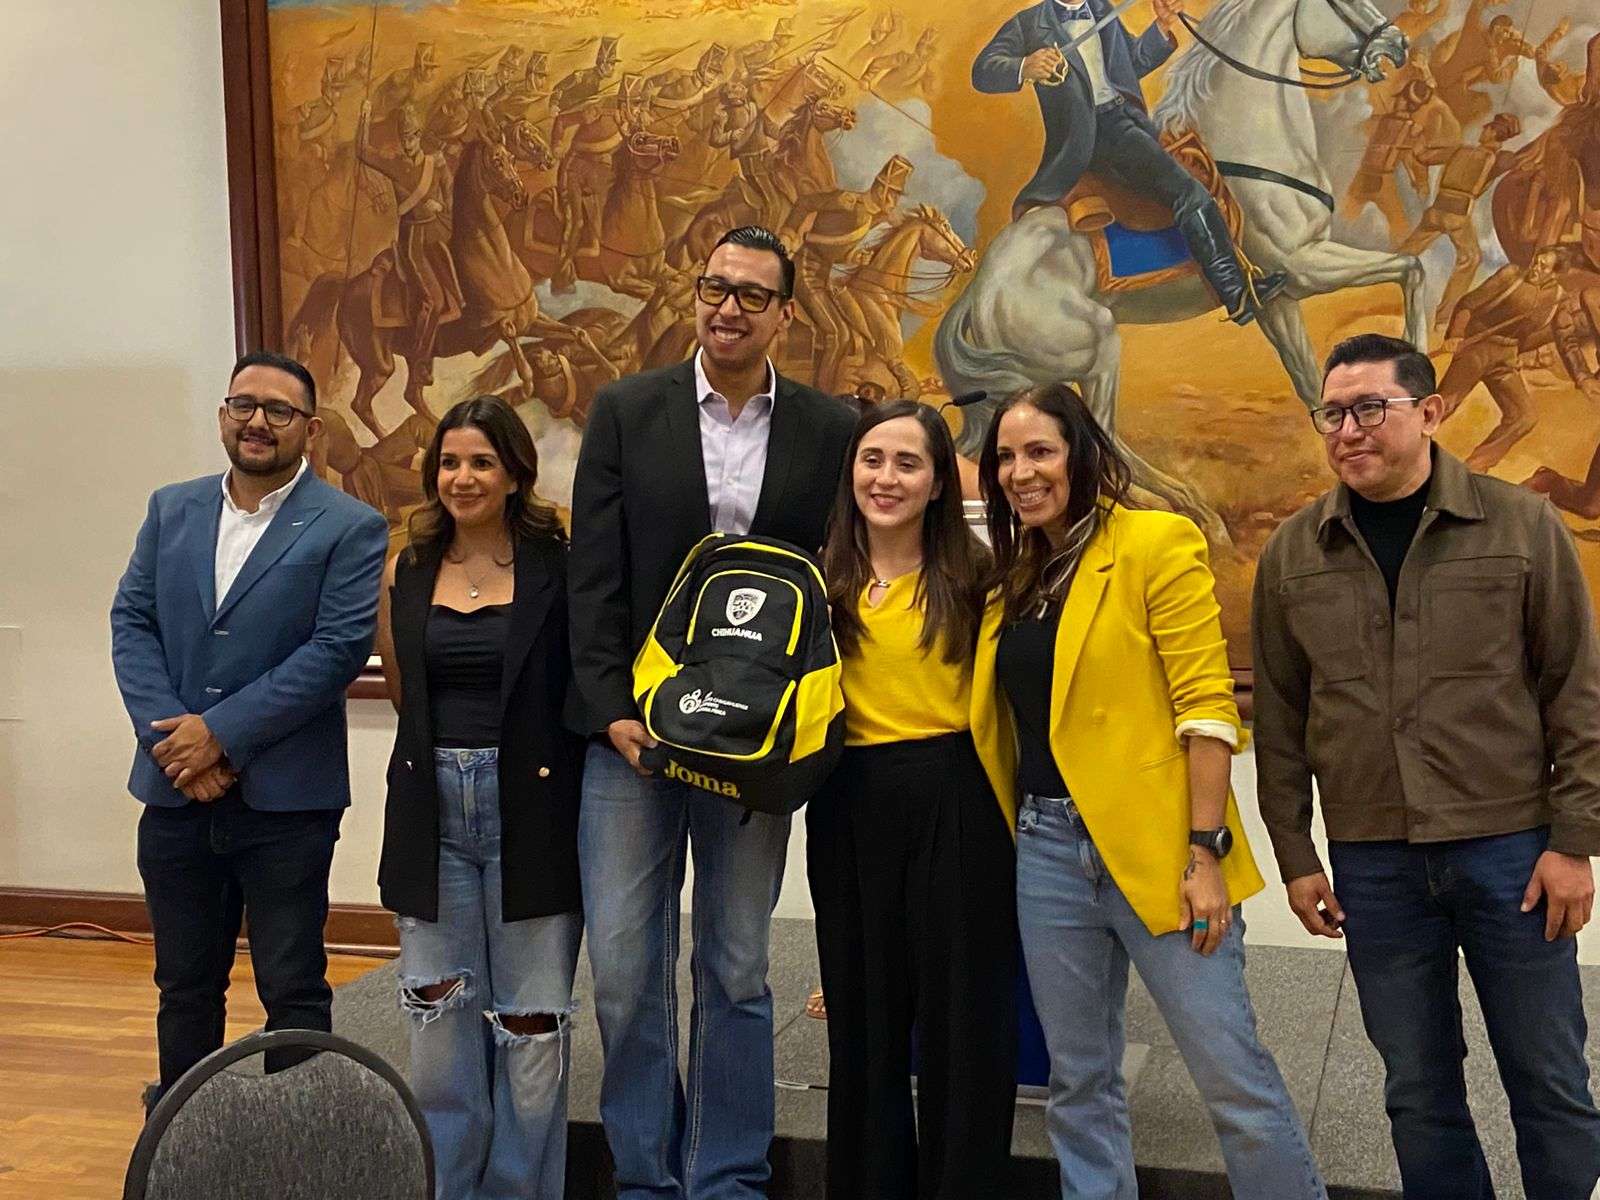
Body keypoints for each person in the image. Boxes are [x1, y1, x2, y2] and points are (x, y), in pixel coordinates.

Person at [1253, 332, 1600, 1200]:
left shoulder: (1520, 525)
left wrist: (1574, 842)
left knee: (1549, 1080)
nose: (1348, 430)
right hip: (1374, 865)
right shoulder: (1294, 552)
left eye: (1370, 408)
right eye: (1333, 413)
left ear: (1432, 412)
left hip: (1512, 853)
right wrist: (1295, 856)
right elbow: (1282, 719)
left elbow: (1576, 691)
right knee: (1416, 1090)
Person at [977, 383, 1324, 1200]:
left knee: (1231, 1078)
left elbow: (1206, 709)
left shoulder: (1154, 541)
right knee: (1079, 1081)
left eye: (1040, 451)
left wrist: (1205, 853)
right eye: (1007, 457)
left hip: (1164, 852)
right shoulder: (1013, 577)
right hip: (1047, 851)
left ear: (1081, 454)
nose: (1022, 472)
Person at [567, 225, 856, 1200]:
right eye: (714, 287)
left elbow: (834, 585)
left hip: (751, 751)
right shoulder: (627, 410)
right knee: (623, 970)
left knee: (735, 967)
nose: (728, 307)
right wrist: (611, 710)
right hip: (633, 739)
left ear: (785, 314)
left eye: (751, 294)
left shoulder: (828, 428)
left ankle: (726, 1176)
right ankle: (646, 1178)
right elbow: (593, 573)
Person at [110, 351, 388, 1110]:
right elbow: (132, 623)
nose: (257, 421)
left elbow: (335, 650)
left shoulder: (351, 526)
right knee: (183, 985)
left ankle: (299, 1146)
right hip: (174, 790)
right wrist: (176, 746)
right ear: (223, 415)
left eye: (278, 410)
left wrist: (220, 736)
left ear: (311, 429)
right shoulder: (171, 509)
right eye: (243, 405)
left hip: (286, 802)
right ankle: (183, 1147)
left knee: (292, 986)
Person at [373, 396, 584, 1200]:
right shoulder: (410, 567)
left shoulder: (557, 565)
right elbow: (404, 691)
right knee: (438, 1022)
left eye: (482, 463)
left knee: (532, 1028)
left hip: (532, 810)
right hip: (432, 813)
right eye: (450, 463)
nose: (462, 478)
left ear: (515, 474)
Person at [808, 401, 1017, 1198]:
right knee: (864, 1021)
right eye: (872, 459)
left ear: (937, 483)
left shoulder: (979, 579)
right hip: (847, 804)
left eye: (907, 463)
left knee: (965, 1025)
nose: (886, 478)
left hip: (956, 801)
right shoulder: (816, 581)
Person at [971, 0, 1286, 325]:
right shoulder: (1028, 24)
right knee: (1189, 192)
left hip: (1130, 120)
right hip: (1096, 138)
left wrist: (1161, 27)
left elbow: (1131, 64)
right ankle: (1235, 294)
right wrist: (1024, 66)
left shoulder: (1101, 9)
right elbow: (982, 71)